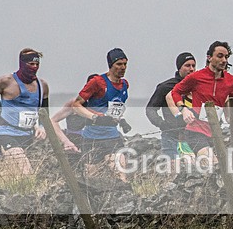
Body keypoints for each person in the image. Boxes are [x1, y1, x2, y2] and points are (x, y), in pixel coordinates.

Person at [167, 41, 233, 162]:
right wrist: (183, 109)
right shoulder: (196, 77)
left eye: (226, 57)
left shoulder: (231, 81)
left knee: (222, 167)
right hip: (195, 131)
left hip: (216, 133)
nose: (224, 60)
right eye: (219, 56)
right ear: (209, 57)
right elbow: (175, 92)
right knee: (211, 162)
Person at [0, 48, 50, 174]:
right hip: (6, 131)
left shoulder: (42, 85)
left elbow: (44, 110)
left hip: (27, 135)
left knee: (15, 173)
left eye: (37, 64)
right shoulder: (6, 81)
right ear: (22, 64)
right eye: (31, 64)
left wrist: (41, 127)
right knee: (25, 171)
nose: (34, 67)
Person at [71, 48, 132, 180]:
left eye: (125, 64)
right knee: (92, 181)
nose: (123, 68)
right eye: (119, 64)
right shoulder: (98, 82)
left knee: (121, 176)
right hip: (92, 138)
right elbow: (76, 105)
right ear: (111, 65)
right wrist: (95, 118)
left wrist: (121, 121)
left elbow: (114, 109)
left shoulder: (125, 85)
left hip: (112, 137)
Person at [146, 52, 196, 158]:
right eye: (187, 65)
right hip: (170, 136)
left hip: (191, 135)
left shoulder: (196, 87)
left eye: (193, 65)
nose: (191, 69)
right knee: (173, 170)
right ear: (179, 68)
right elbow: (150, 109)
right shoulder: (166, 87)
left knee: (193, 170)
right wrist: (161, 124)